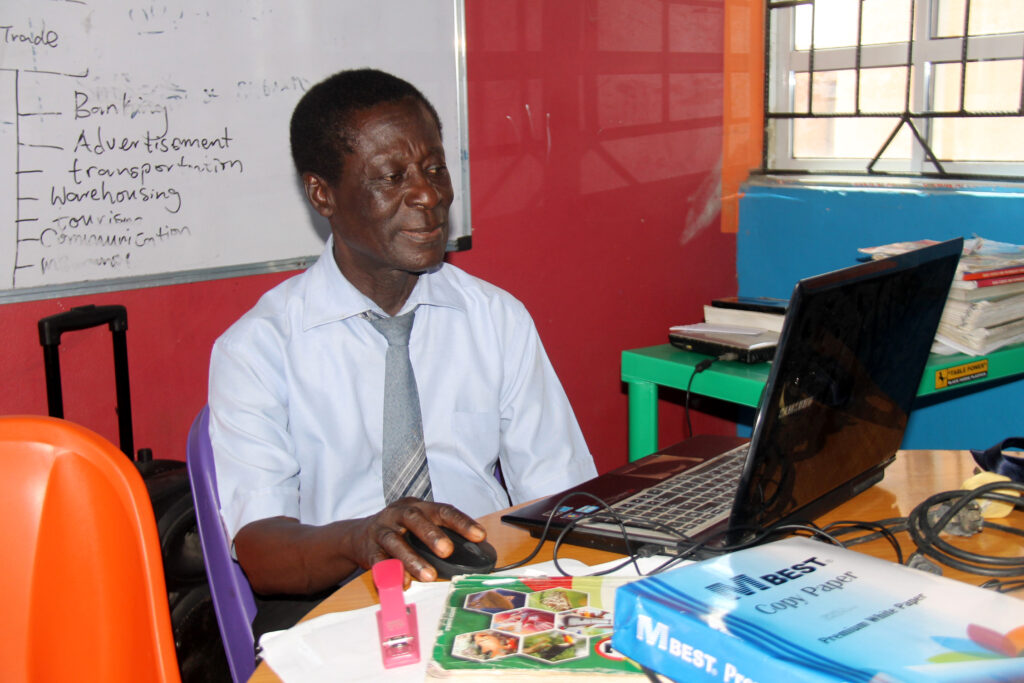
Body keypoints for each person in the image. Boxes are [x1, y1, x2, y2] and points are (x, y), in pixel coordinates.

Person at [207, 68, 596, 633]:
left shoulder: (495, 318)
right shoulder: (258, 349)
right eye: (392, 177)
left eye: (435, 168)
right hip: (343, 599)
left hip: (488, 587)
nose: (429, 195)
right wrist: (362, 537)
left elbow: (559, 494)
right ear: (322, 194)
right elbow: (262, 552)